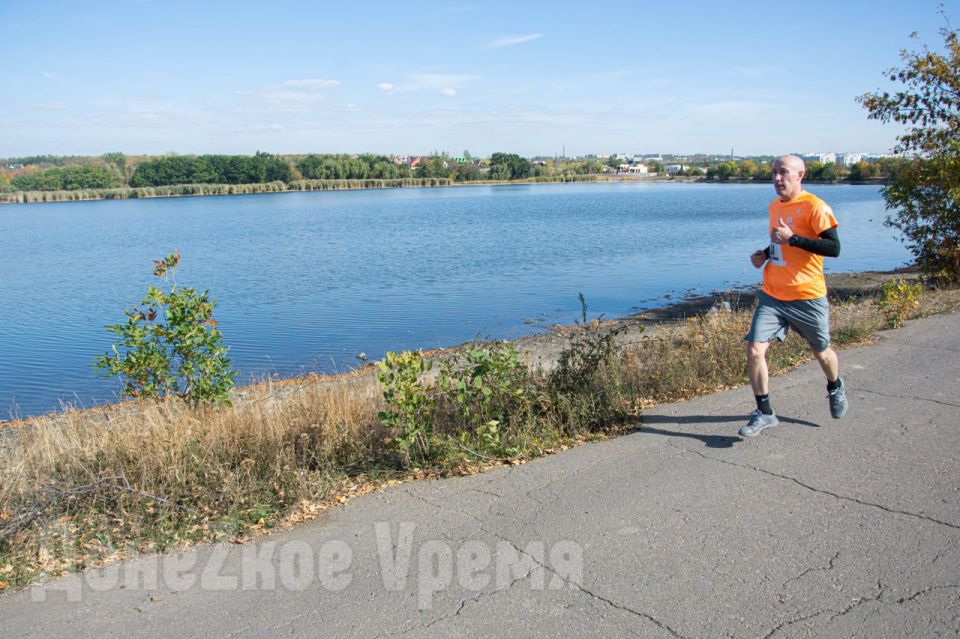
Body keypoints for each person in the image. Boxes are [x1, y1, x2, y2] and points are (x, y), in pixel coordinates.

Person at [740, 154, 848, 437]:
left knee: (821, 353)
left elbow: (833, 248)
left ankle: (835, 385)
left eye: (783, 173)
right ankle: (764, 413)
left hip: (807, 296)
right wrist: (764, 254)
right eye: (774, 173)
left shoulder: (816, 207)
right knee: (754, 350)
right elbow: (779, 241)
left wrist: (794, 239)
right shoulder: (774, 205)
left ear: (801, 175)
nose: (777, 179)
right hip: (773, 294)